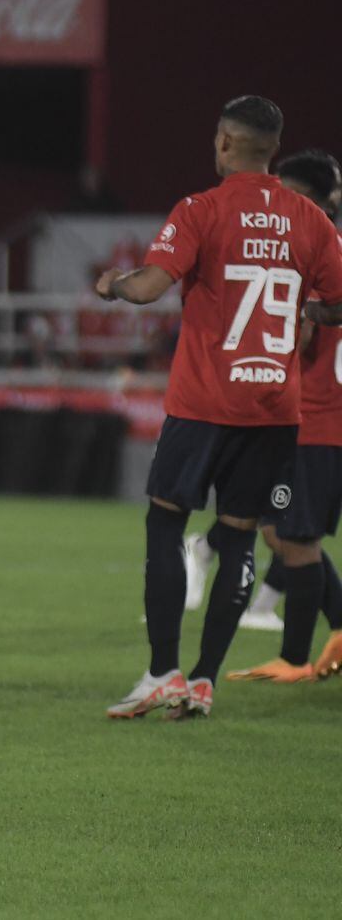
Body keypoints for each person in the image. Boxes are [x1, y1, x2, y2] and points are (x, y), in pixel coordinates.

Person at [95, 97, 342, 720]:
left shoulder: (201, 210)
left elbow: (151, 287)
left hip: (205, 403)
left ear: (226, 144)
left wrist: (115, 284)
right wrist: (308, 314)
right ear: (274, 148)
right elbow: (338, 301)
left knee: (166, 524)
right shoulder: (312, 220)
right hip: (275, 410)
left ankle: (161, 673)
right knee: (240, 539)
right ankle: (204, 680)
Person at [226, 149, 342, 681]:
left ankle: (294, 658)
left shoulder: (315, 251)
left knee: (295, 538)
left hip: (318, 421)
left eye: (289, 192)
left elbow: (301, 331)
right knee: (280, 531)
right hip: (308, 420)